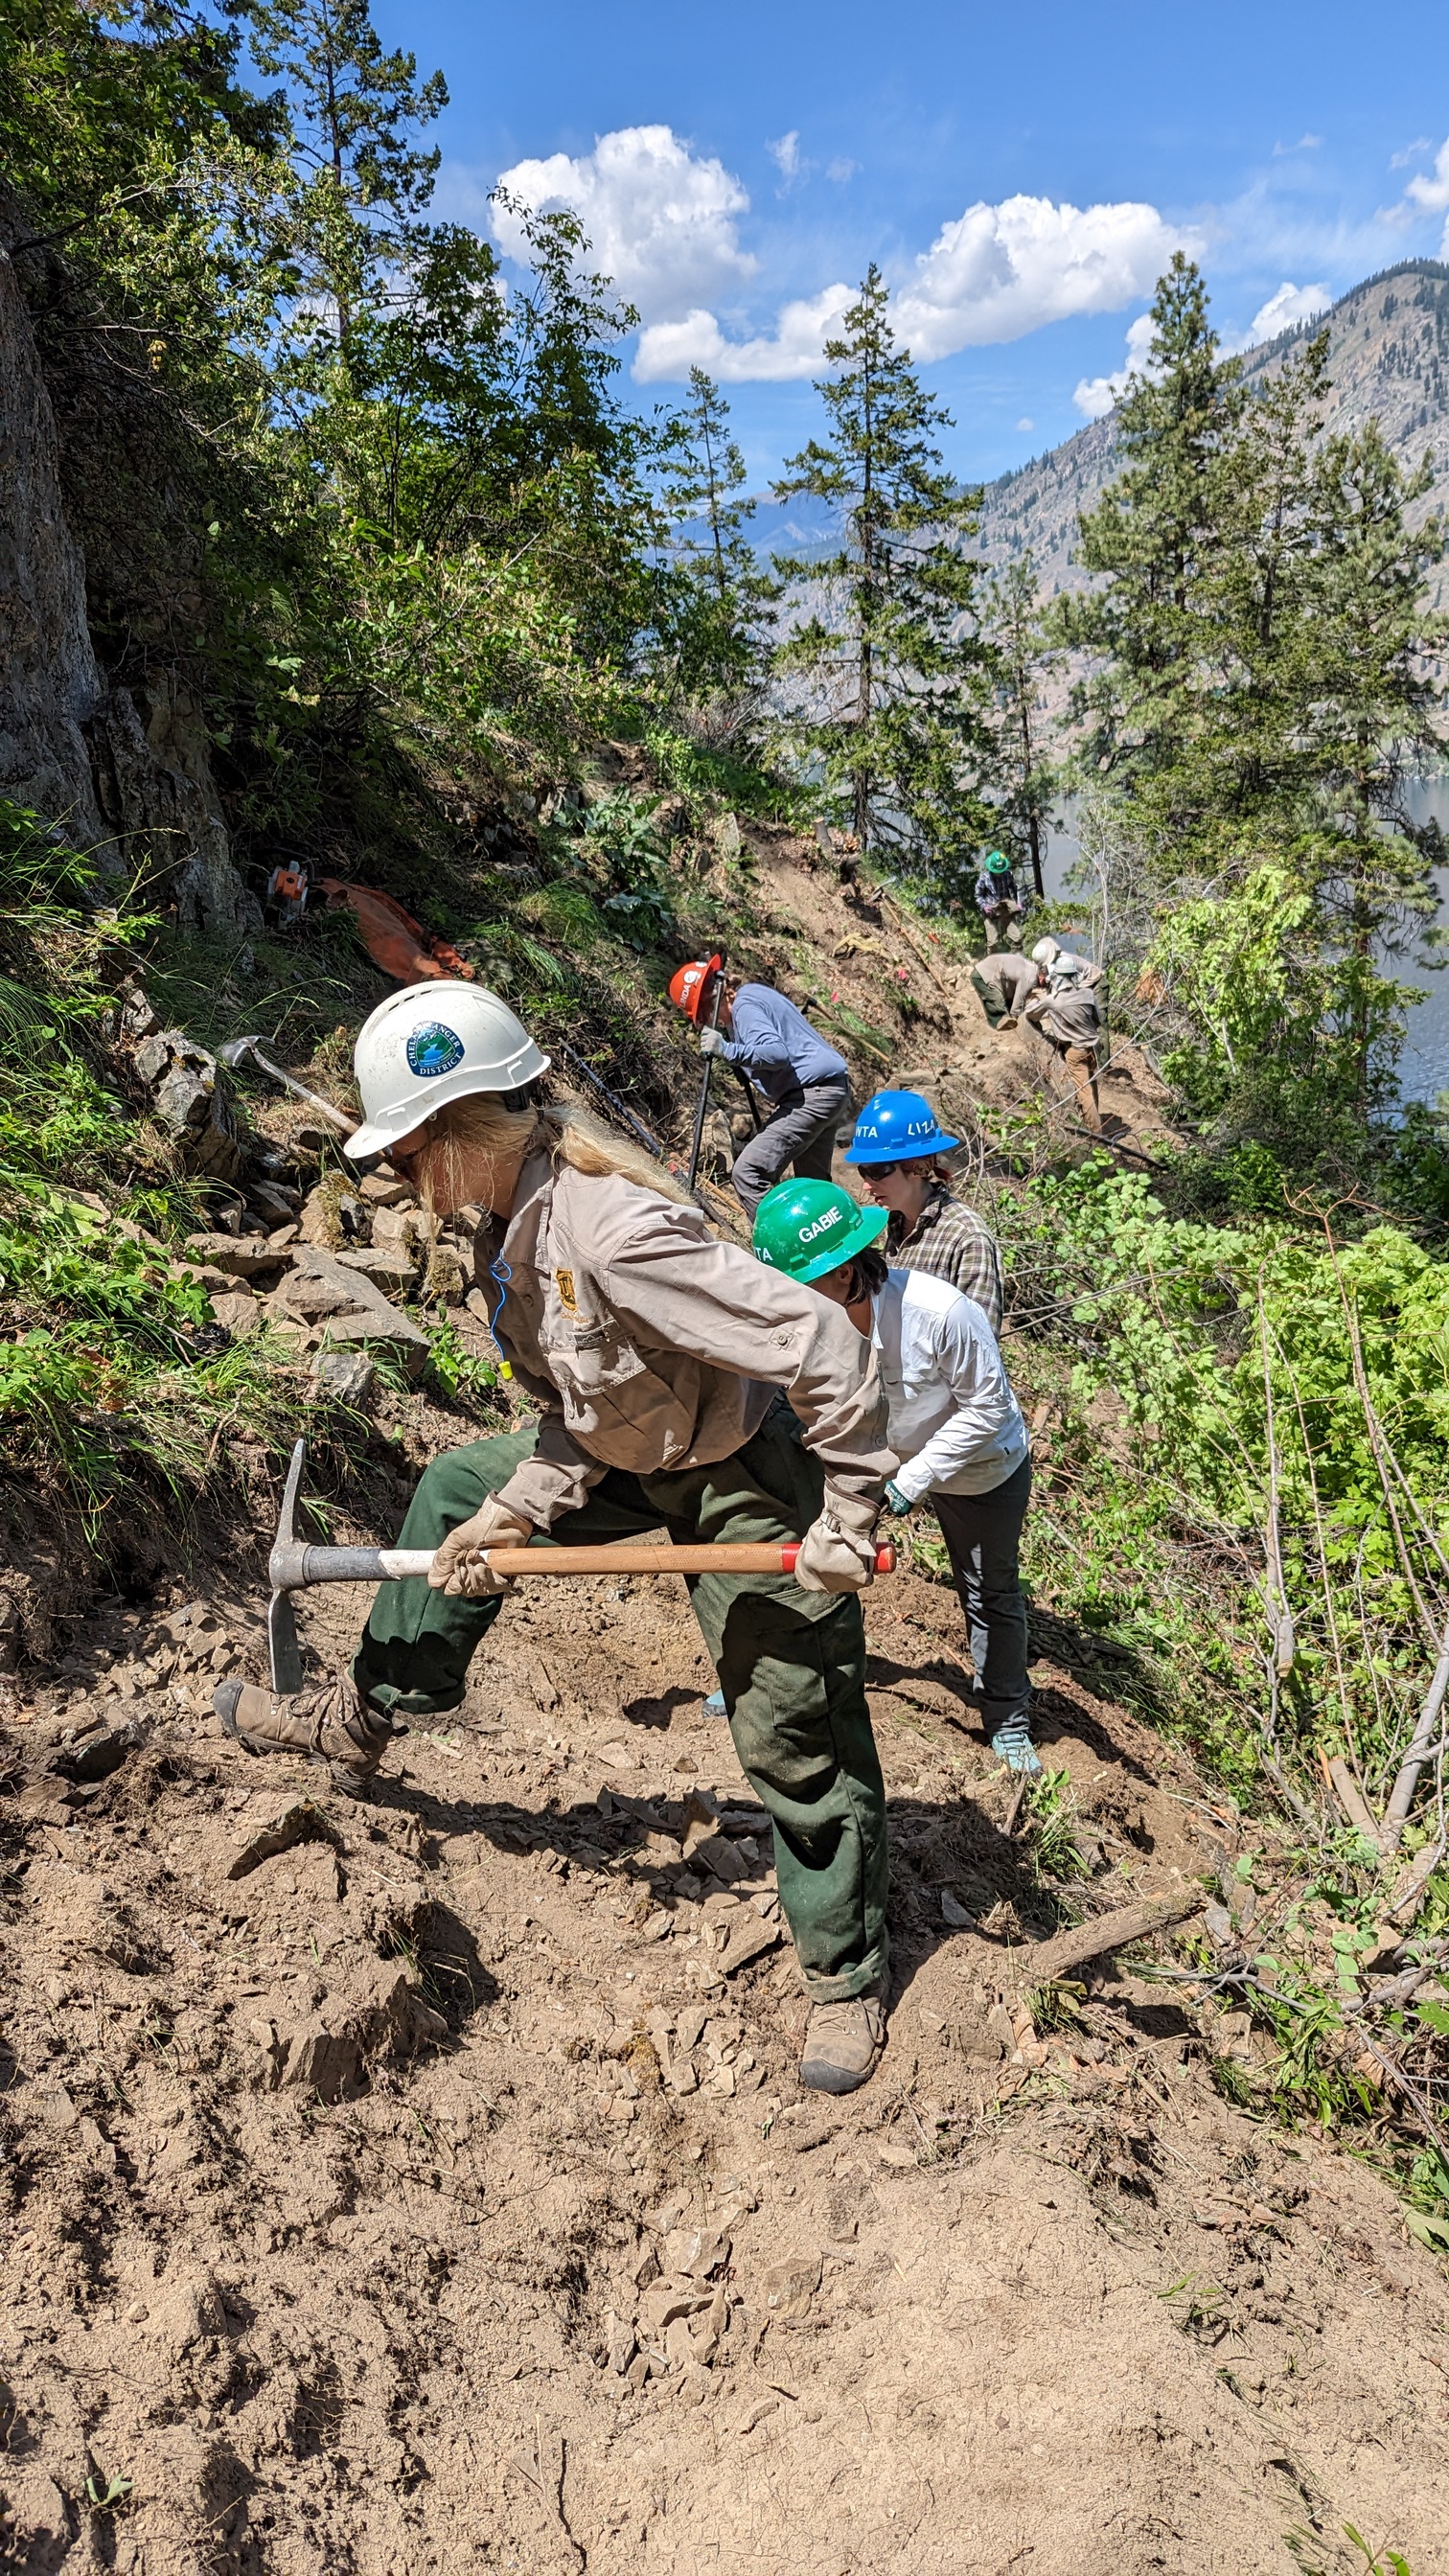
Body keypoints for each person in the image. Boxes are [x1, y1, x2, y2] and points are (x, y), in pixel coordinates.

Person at [214, 980, 899, 2098]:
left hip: (736, 1471)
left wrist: (849, 1517)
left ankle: (845, 1972)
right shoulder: (510, 1233)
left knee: (789, 1716)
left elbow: (821, 1338)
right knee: (450, 1489)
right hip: (632, 1460)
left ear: (467, 1132)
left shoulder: (614, 1229)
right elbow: (584, 1412)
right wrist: (515, 1507)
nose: (399, 1178)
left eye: (408, 1152)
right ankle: (361, 1719)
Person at [754, 1181, 1038, 1775]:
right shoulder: (805, 1324)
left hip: (978, 1466)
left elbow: (987, 1409)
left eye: (794, 1285)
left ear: (840, 1274)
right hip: (866, 1457)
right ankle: (769, 1686)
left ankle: (1007, 1719)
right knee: (814, 1560)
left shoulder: (938, 1314)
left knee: (988, 1591)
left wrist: (915, 1479)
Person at [670, 956, 851, 1221]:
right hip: (828, 1089)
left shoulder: (744, 1006)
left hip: (812, 1093)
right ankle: (834, 1246)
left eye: (704, 1014)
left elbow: (776, 1054)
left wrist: (727, 1049)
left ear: (713, 998)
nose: (709, 1022)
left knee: (748, 1172)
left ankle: (785, 1248)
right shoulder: (748, 1003)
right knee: (814, 1187)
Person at [843, 1090, 1003, 1339]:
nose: (867, 1184)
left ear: (918, 1168)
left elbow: (980, 1344)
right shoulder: (893, 1223)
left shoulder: (966, 1237)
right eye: (863, 1172)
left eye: (878, 1171)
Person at [1024, 943, 1105, 1136]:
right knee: (1091, 1085)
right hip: (1094, 1047)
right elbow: (1098, 1021)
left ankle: (1097, 1136)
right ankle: (1095, 1118)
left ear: (1057, 977)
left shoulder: (1053, 1000)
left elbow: (1031, 1015)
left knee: (1084, 1093)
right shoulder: (1088, 993)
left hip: (1075, 1051)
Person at [971, 949, 1041, 1032]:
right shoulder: (1031, 978)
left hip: (990, 973)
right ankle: (998, 1031)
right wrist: (1018, 1018)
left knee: (1008, 1003)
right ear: (1042, 977)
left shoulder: (1030, 968)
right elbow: (1017, 1005)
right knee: (999, 1005)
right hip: (982, 975)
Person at [973, 850, 1025, 952]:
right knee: (993, 942)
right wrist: (984, 906)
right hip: (990, 910)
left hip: (1005, 908)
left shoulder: (1008, 874)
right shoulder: (984, 878)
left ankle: (1017, 959)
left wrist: (1018, 902)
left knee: (1017, 938)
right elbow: (978, 895)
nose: (999, 873)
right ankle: (991, 963)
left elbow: (1016, 888)